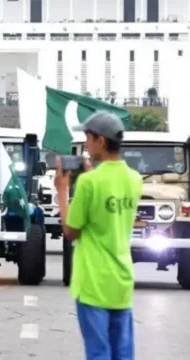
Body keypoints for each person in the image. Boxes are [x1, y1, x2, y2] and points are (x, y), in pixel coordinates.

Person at [54, 112, 143, 360]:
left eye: (88, 138)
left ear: (101, 141)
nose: (85, 144)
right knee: (123, 353)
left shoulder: (89, 183)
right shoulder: (135, 179)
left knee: (98, 353)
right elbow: (109, 205)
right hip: (121, 280)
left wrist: (62, 191)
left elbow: (72, 231)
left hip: (93, 281)